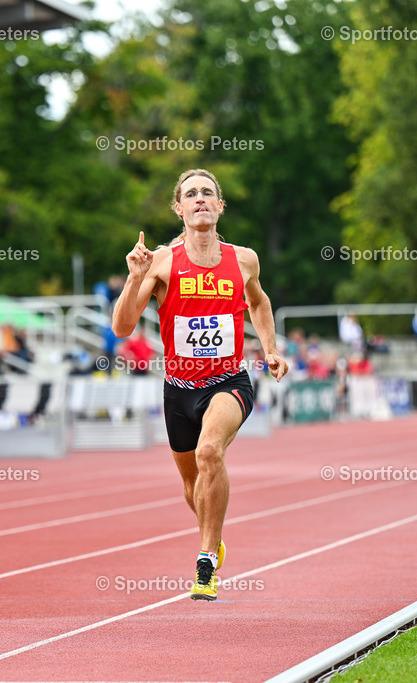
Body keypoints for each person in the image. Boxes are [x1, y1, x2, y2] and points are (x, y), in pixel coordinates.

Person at [112, 168, 288, 601]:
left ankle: (206, 561)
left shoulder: (243, 259)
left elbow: (259, 301)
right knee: (193, 487)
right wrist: (136, 276)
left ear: (220, 205)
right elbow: (122, 327)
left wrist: (270, 349)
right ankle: (215, 534)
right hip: (178, 391)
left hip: (229, 381)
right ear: (179, 208)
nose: (200, 200)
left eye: (208, 193)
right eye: (191, 194)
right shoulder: (161, 261)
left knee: (211, 451)